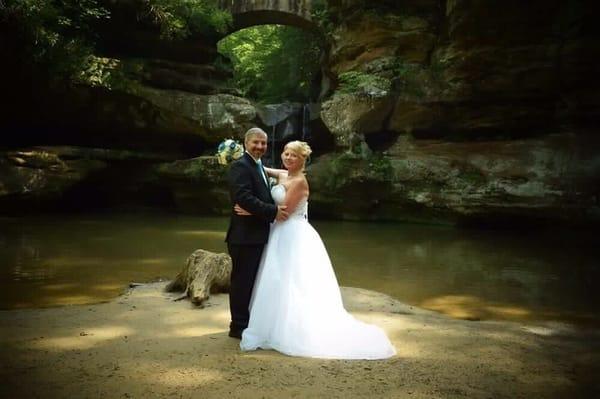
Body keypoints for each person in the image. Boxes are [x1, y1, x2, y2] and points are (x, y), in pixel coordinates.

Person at [234, 141, 396, 359]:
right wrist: (238, 155)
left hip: (291, 233)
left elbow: (284, 213)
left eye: (294, 155)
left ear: (303, 159)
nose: (288, 158)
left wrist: (249, 211)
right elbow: (258, 167)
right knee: (274, 279)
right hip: (277, 234)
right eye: (286, 153)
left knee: (292, 281)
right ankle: (268, 321)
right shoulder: (283, 175)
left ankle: (290, 327)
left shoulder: (300, 182)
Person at [225, 127, 289, 339]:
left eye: (263, 143)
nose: (260, 146)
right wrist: (273, 211)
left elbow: (255, 197)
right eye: (256, 143)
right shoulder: (240, 166)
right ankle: (238, 327)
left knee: (251, 281)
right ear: (246, 143)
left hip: (255, 234)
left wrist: (257, 210)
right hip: (243, 236)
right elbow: (243, 197)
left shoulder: (258, 166)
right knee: (242, 282)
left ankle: (247, 322)